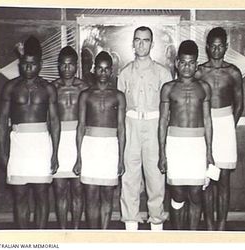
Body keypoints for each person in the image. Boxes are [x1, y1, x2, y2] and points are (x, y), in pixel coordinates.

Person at [0, 35, 60, 229]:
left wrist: (55, 154)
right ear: (20, 63)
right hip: (18, 145)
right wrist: (1, 152)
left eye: (32, 64)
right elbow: (1, 123)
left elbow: (55, 122)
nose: (28, 68)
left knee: (42, 193)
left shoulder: (48, 88)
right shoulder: (11, 87)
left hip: (41, 144)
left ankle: (40, 237)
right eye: (25, 64)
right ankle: (23, 238)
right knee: (20, 195)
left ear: (39, 65)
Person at [118, 26, 172, 230]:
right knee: (130, 176)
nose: (141, 44)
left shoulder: (163, 73)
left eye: (146, 40)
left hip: (154, 125)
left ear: (152, 43)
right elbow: (120, 107)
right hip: (131, 125)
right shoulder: (124, 73)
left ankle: (156, 223)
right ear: (132, 43)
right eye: (138, 40)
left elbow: (168, 108)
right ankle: (131, 224)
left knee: (155, 176)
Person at [158, 40, 214, 230]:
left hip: (197, 144)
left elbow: (207, 120)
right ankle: (179, 236)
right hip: (175, 144)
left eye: (191, 63)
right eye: (183, 62)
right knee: (178, 193)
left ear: (196, 64)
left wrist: (209, 152)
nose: (187, 67)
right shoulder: (168, 88)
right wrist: (161, 153)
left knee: (196, 192)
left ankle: (192, 237)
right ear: (176, 62)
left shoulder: (204, 88)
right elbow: (163, 122)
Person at [195, 27, 243, 231]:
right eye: (213, 46)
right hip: (204, 124)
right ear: (207, 47)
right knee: (207, 177)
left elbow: (240, 104)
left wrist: (228, 124)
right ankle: (209, 224)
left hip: (225, 125)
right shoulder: (199, 71)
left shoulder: (233, 72)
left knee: (223, 179)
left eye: (220, 46)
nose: (216, 50)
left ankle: (222, 225)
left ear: (226, 47)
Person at [73, 51, 126, 229]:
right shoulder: (85, 95)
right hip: (91, 147)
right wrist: (79, 158)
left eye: (106, 70)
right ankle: (93, 237)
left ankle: (104, 235)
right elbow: (80, 126)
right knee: (91, 195)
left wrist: (121, 158)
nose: (103, 73)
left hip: (110, 148)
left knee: (107, 195)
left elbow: (121, 128)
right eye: (100, 69)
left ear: (111, 71)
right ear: (94, 70)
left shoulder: (118, 96)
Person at [51, 46, 88, 229]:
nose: (67, 69)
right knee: (59, 189)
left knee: (78, 189)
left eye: (70, 65)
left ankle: (75, 231)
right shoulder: (52, 88)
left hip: (78, 139)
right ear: (59, 66)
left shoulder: (84, 88)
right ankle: (63, 231)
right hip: (57, 140)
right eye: (63, 65)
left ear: (76, 65)